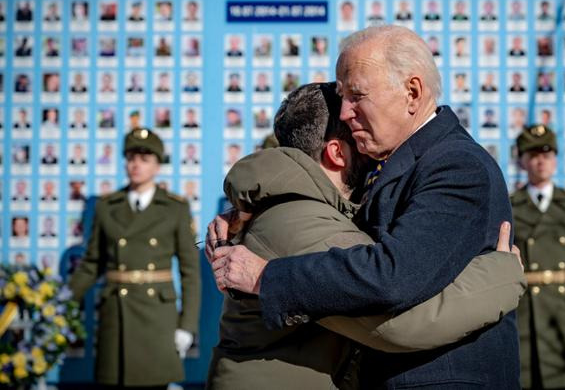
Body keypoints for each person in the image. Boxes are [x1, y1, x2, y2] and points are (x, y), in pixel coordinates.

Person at [209, 25, 520, 388]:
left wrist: (267, 277)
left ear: (412, 92)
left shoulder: (454, 164)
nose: (343, 113)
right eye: (342, 97)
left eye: (357, 95)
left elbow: (393, 276)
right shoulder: (392, 159)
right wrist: (248, 214)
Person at [69, 128, 201, 388]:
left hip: (157, 317)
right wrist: (60, 302)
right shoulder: (107, 207)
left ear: (157, 165)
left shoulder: (175, 208)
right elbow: (91, 264)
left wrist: (186, 326)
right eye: (131, 157)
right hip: (116, 314)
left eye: (145, 158)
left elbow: (190, 272)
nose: (136, 164)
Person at [511, 125, 565, 389]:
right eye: (534, 154)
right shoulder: (510, 205)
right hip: (526, 315)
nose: (541, 161)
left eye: (547, 155)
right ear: (522, 161)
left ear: (556, 159)